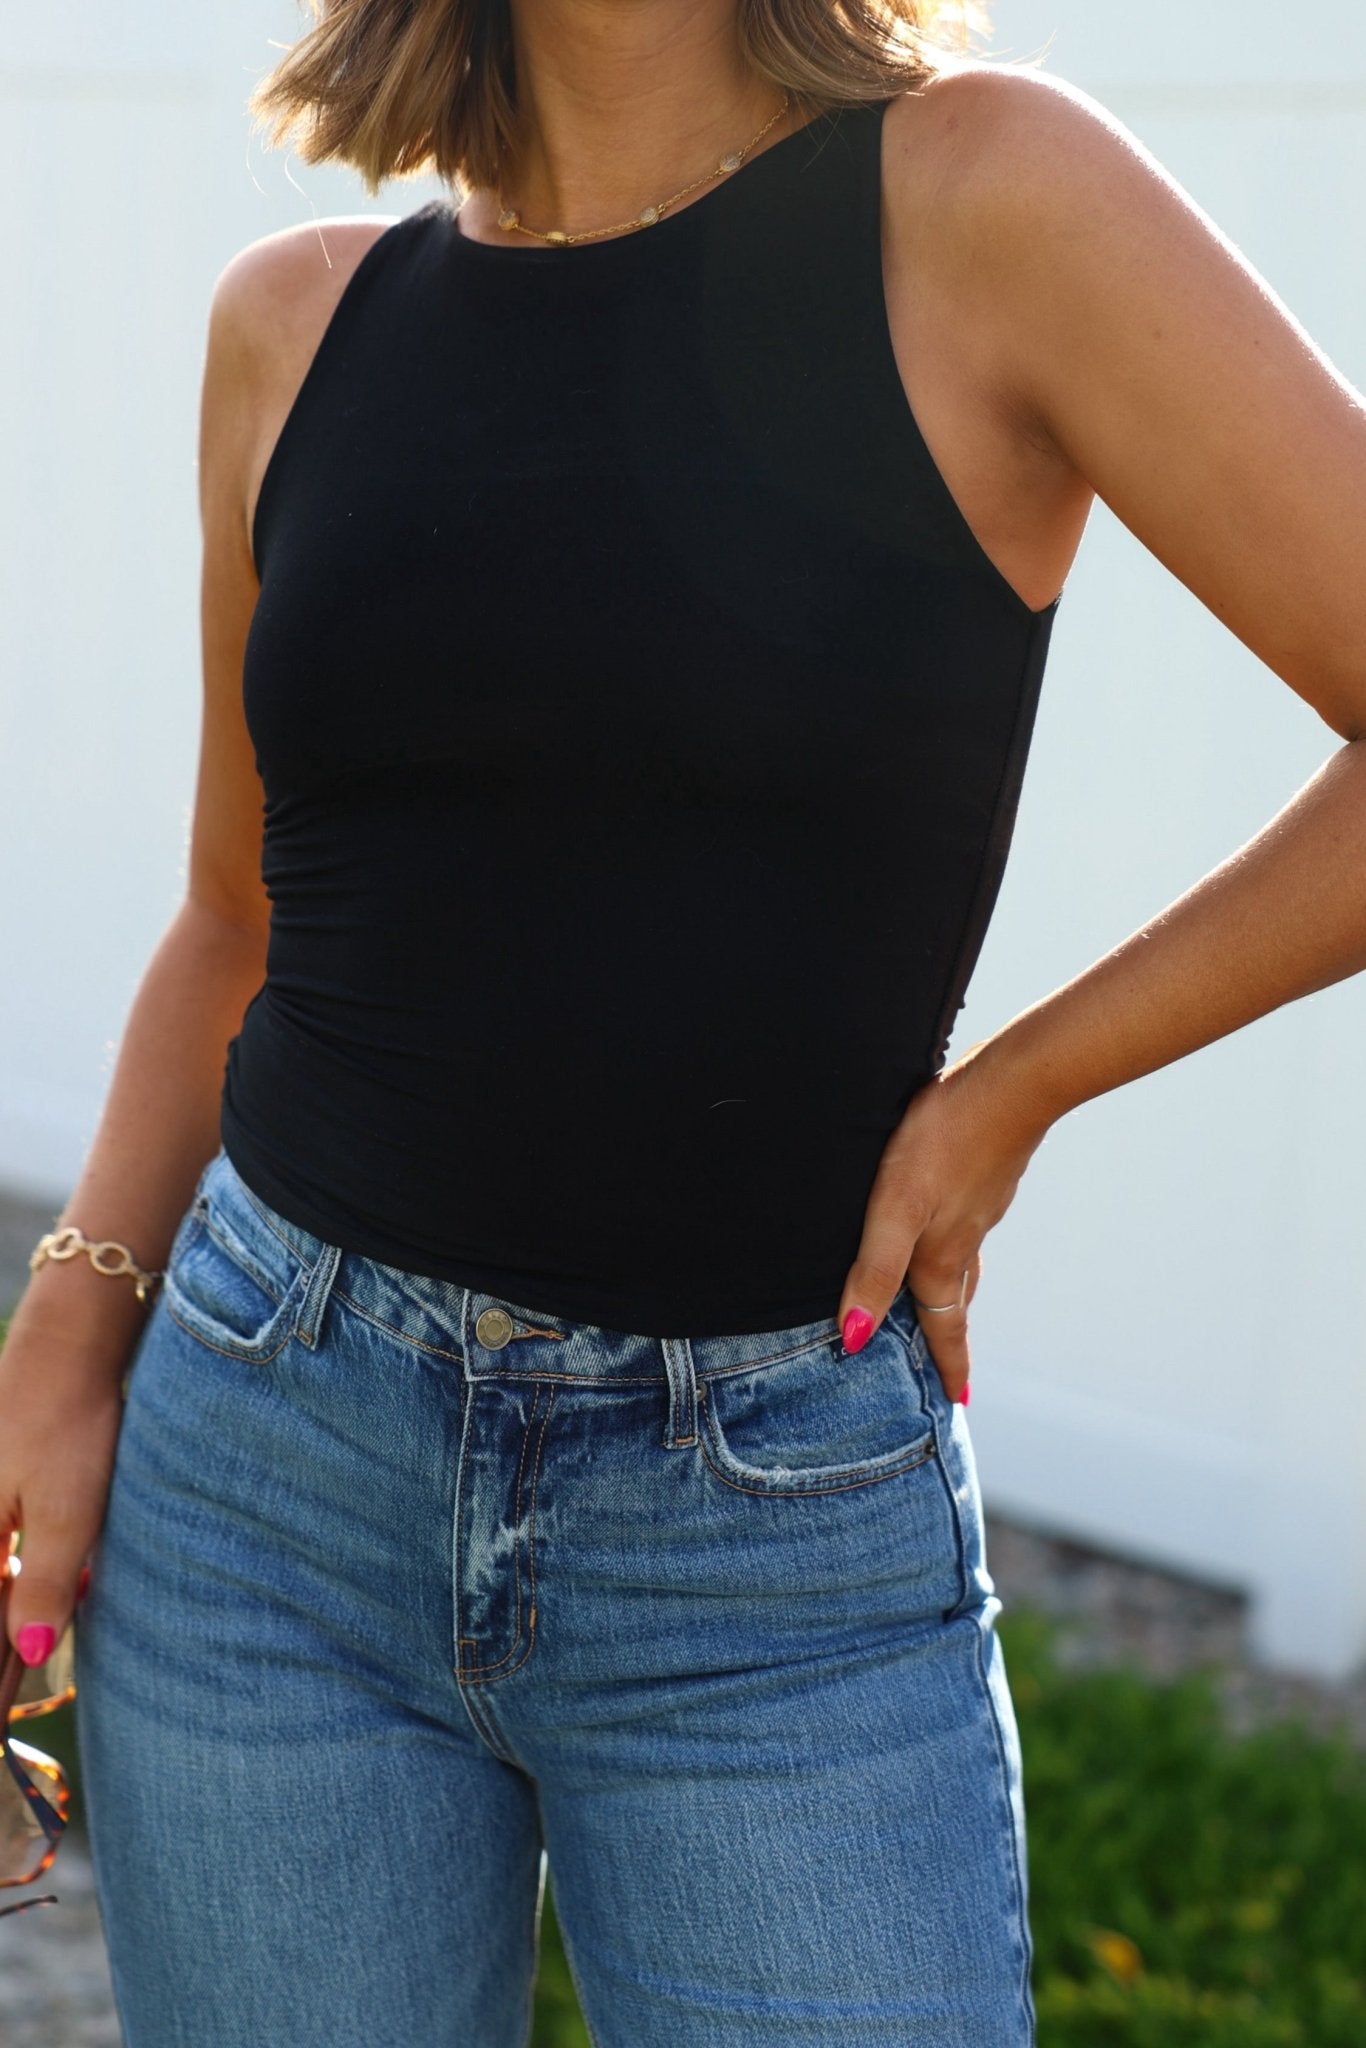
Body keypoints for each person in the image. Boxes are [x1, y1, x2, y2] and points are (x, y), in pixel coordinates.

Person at [3, 0, 1364, 2037]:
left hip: (773, 1544)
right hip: (265, 1472)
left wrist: (1012, 1092)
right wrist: (74, 1325)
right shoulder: (295, 323)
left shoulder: (986, 202)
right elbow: (233, 915)